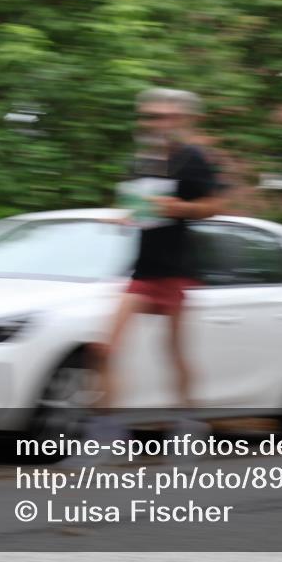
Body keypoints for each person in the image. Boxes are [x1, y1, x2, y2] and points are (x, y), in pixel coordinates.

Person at [89, 87, 224, 438]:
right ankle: (107, 434)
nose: (155, 123)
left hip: (176, 270)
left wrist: (180, 208)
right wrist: (125, 217)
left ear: (181, 120)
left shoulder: (192, 158)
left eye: (164, 116)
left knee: (173, 351)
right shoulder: (142, 160)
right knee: (104, 348)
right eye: (150, 116)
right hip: (142, 270)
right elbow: (141, 209)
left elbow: (213, 206)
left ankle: (188, 426)